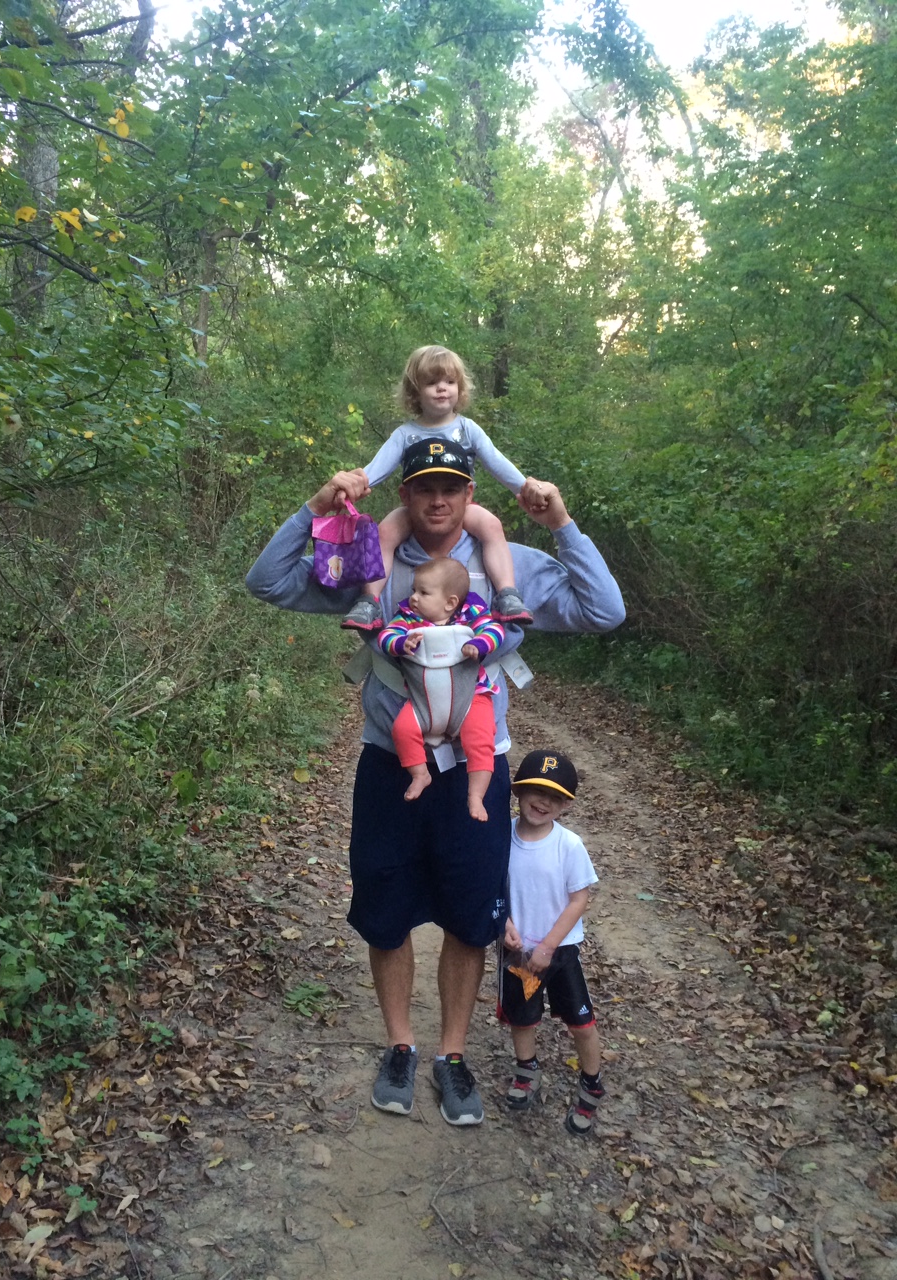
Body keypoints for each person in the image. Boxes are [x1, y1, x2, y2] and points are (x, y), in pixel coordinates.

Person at [245, 437, 624, 1128]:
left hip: (474, 773)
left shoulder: (511, 564)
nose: (439, 499)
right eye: (424, 487)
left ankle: (452, 1055)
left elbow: (605, 611)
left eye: (452, 486)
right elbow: (267, 581)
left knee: (467, 917)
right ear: (407, 495)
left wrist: (562, 526)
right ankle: (400, 1045)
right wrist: (315, 507)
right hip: (391, 767)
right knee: (387, 915)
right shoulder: (370, 559)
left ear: (470, 495)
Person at [341, 344, 546, 633]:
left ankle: (507, 595)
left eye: (450, 382)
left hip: (460, 506)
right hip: (416, 507)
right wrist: (354, 485)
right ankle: (369, 602)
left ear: (460, 389)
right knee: (384, 532)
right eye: (432, 382)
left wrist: (527, 486)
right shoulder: (405, 434)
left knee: (491, 525)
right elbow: (378, 468)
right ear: (415, 391)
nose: (442, 389)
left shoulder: (468, 429)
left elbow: (497, 462)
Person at [498, 749, 605, 1135]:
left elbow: (579, 898)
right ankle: (526, 1069)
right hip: (517, 952)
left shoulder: (568, 845)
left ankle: (591, 1083)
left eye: (555, 796)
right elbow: (495, 886)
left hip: (558, 953)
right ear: (518, 791)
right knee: (522, 1015)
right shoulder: (502, 834)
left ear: (564, 805)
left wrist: (547, 947)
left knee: (580, 1022)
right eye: (535, 790)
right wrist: (504, 922)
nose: (543, 801)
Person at [378, 557, 504, 820]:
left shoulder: (471, 615)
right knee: (402, 729)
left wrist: (480, 644)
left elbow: (495, 631)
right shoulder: (409, 619)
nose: (413, 597)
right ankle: (420, 774)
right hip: (422, 701)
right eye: (414, 590)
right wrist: (401, 644)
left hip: (471, 697)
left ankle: (476, 796)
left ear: (450, 602)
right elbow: (385, 637)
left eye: (423, 592)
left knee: (481, 739)